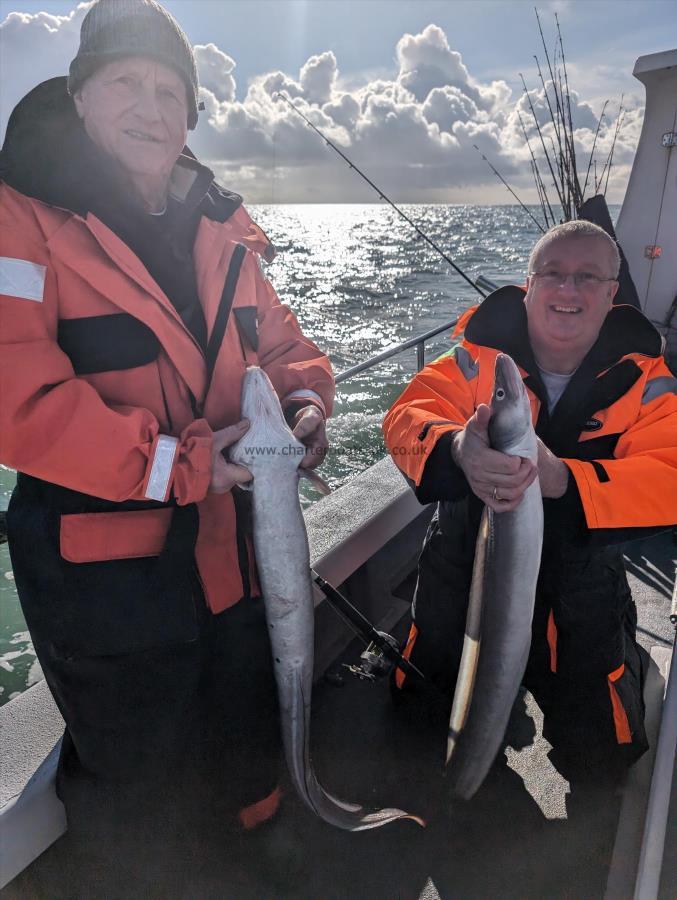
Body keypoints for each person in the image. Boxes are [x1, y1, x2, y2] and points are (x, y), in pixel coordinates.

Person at [0, 0, 333, 889]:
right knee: (138, 783)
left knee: (243, 734)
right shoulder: (19, 219)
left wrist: (303, 403)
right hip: (108, 579)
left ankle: (263, 858)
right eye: (126, 84)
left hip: (232, 555)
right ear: (78, 98)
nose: (152, 108)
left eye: (169, 91)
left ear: (191, 112)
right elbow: (17, 400)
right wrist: (181, 466)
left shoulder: (223, 226)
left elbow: (283, 345)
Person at [383, 220, 677, 789]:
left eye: (588, 276)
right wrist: (458, 447)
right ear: (529, 285)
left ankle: (625, 666)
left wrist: (567, 481)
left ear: (612, 292)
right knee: (420, 727)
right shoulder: (475, 360)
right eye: (553, 274)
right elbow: (407, 414)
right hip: (463, 569)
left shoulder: (648, 381)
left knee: (603, 757)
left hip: (581, 581)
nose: (569, 290)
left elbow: (670, 470)